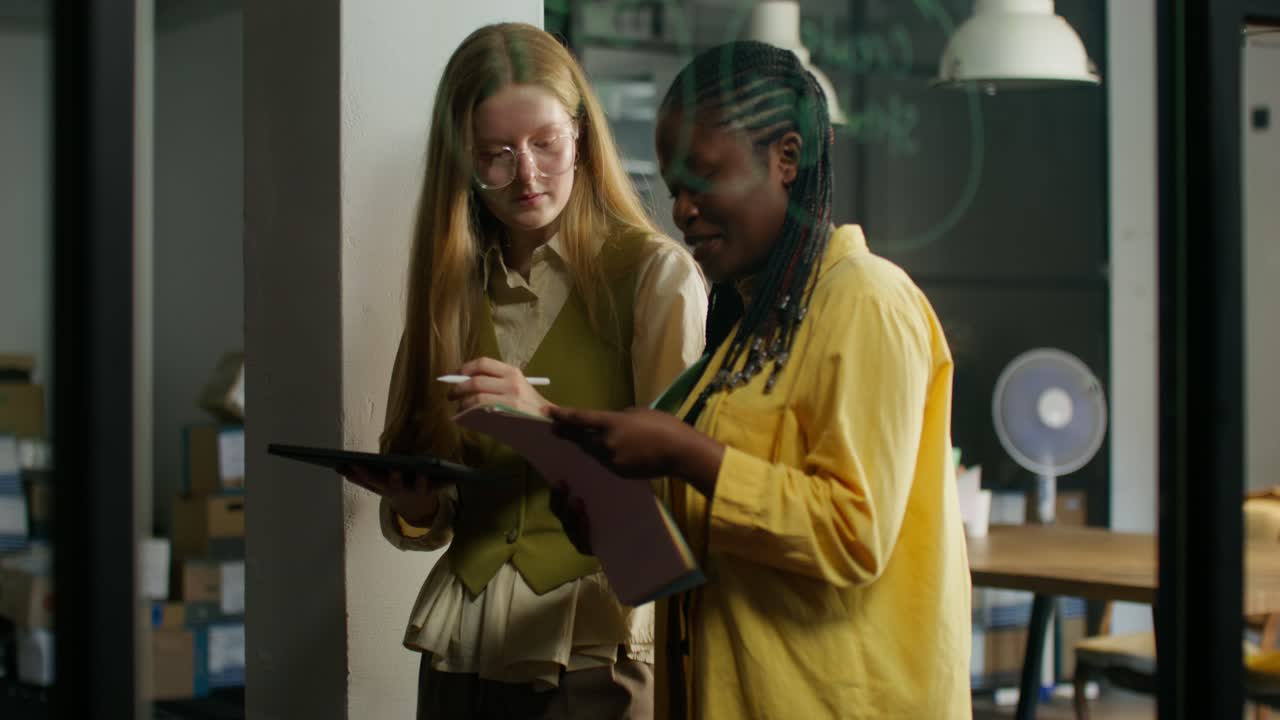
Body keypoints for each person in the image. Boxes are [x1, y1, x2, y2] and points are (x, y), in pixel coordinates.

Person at [549, 41, 972, 719]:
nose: (682, 211)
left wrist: (683, 452)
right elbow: (718, 556)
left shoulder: (866, 299)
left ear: (786, 158)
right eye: (674, 190)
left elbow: (851, 534)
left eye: (703, 178)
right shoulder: (745, 332)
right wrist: (609, 526)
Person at [353, 23, 707, 720]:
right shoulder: (449, 292)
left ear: (581, 136)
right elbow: (431, 520)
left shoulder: (654, 277)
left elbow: (679, 505)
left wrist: (546, 428)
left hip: (596, 645)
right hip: (463, 645)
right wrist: (416, 503)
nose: (527, 175)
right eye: (495, 154)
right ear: (461, 160)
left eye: (546, 143)